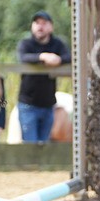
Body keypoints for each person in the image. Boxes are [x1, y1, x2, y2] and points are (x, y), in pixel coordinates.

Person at [16, 11, 71, 143]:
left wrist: (58, 60)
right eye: (37, 23)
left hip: (48, 105)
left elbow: (69, 57)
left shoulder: (57, 44)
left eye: (44, 23)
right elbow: (23, 57)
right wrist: (42, 57)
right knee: (30, 146)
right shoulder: (26, 43)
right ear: (32, 26)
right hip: (28, 104)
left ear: (51, 27)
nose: (40, 26)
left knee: (45, 145)